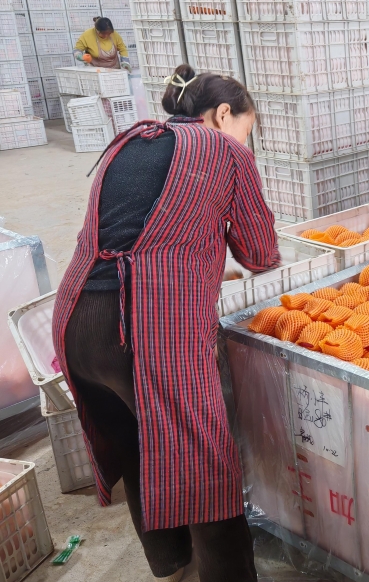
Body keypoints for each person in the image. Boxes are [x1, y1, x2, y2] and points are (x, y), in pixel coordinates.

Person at [51, 64, 279, 582]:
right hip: (145, 328)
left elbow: (137, 231)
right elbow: (260, 253)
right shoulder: (226, 151)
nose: (246, 142)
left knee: (136, 440)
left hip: (76, 318)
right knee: (202, 465)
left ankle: (170, 563)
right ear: (223, 114)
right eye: (246, 129)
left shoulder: (130, 140)